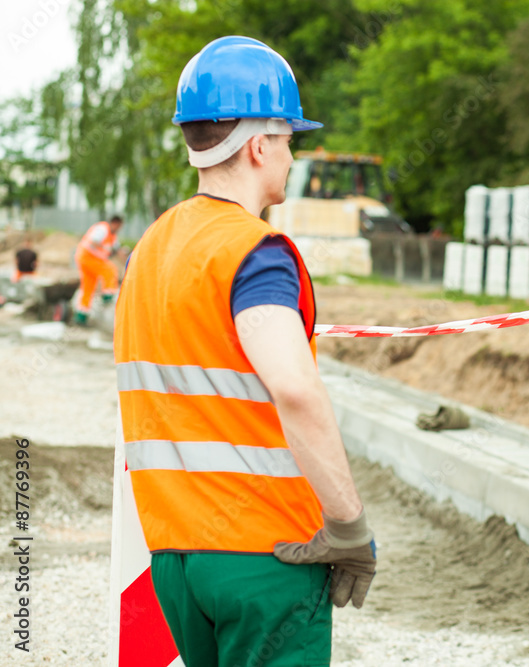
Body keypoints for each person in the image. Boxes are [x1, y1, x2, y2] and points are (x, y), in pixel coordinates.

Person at [113, 36, 376, 667]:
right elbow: (294, 388)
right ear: (259, 145)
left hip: (175, 559)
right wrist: (348, 526)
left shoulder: (151, 247)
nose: (291, 155)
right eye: (288, 139)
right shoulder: (254, 253)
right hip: (266, 557)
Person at [74, 214, 123, 323]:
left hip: (85, 258)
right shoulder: (103, 229)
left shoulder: (112, 235)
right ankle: (108, 295)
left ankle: (81, 314)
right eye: (119, 226)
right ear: (115, 223)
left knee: (89, 286)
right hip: (88, 257)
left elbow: (117, 249)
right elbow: (94, 241)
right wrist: (105, 249)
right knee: (110, 269)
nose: (119, 229)